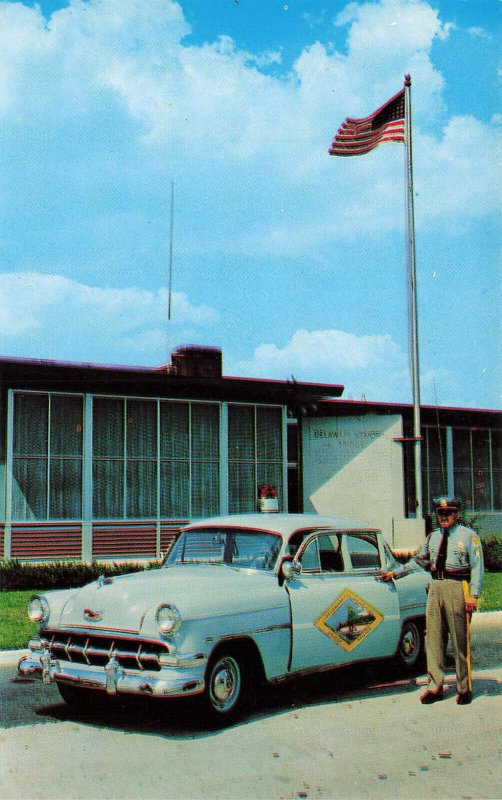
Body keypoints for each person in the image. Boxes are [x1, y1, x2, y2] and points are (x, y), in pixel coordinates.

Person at [381, 496, 484, 706]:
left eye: (449, 513)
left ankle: (464, 688)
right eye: (441, 514)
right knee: (434, 639)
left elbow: (477, 568)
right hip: (435, 588)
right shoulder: (433, 537)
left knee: (459, 640)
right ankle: (434, 686)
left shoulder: (469, 536)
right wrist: (395, 573)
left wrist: (473, 595)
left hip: (457, 587)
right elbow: (419, 561)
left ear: (456, 514)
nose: (444, 517)